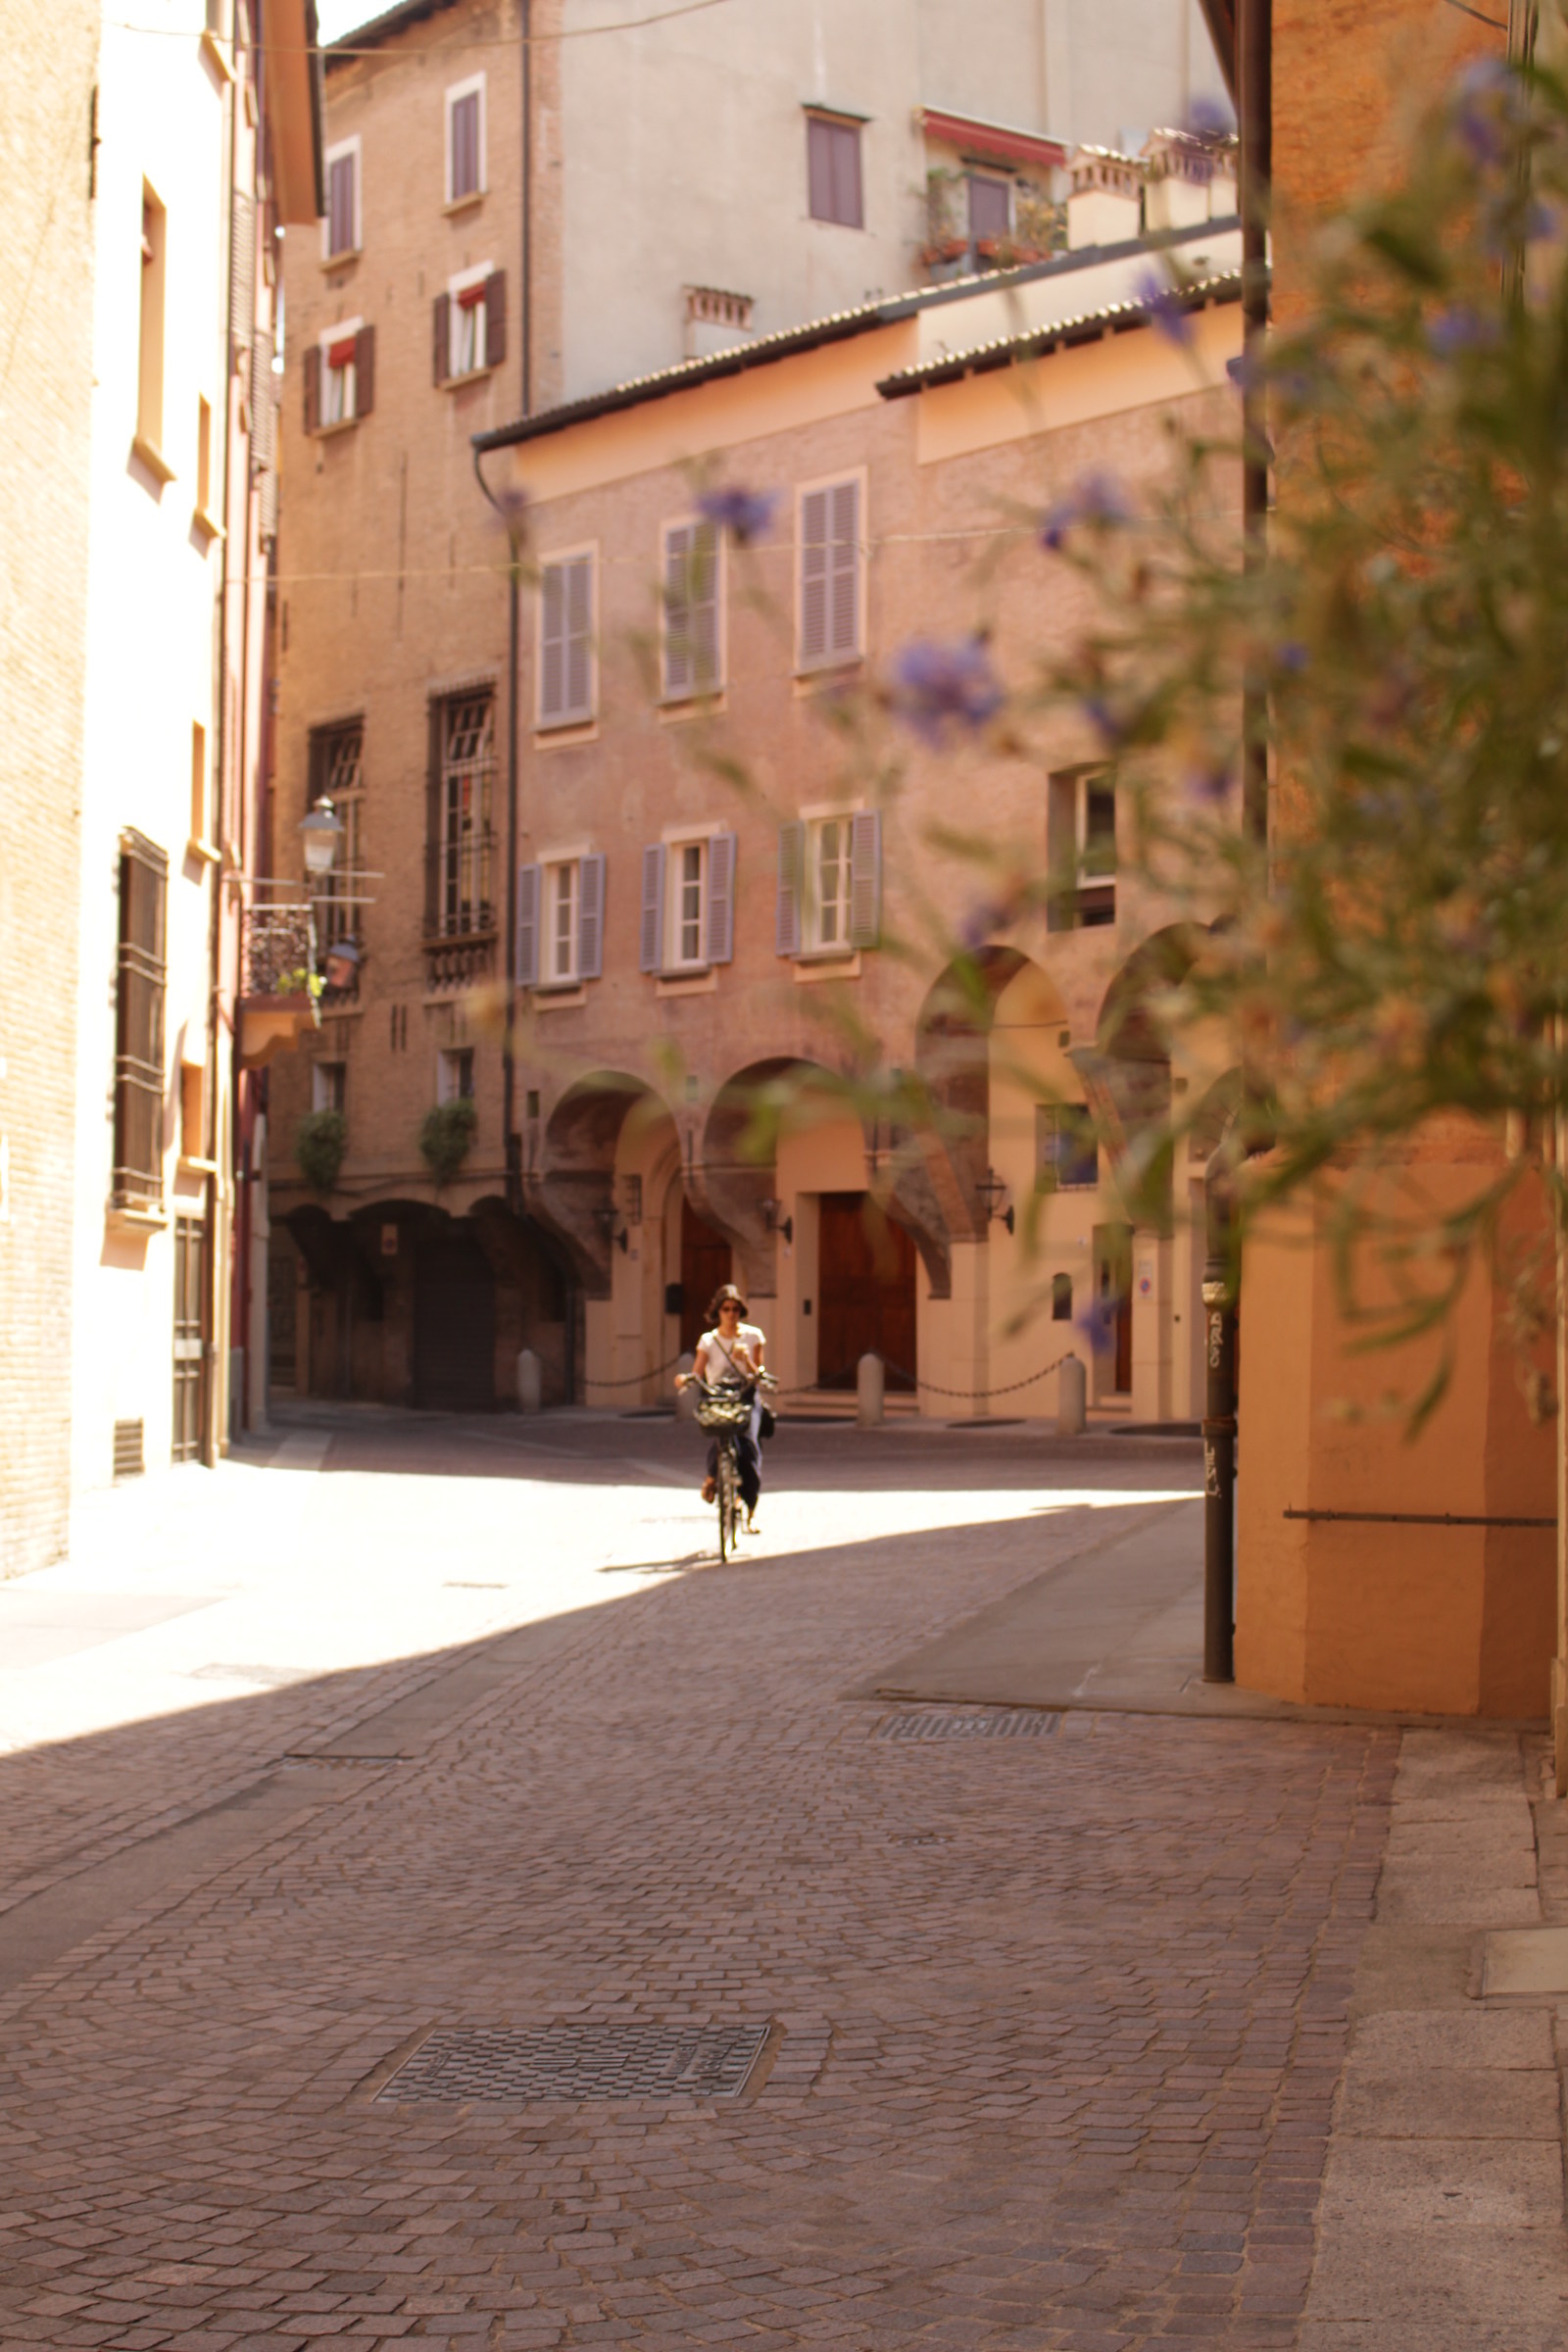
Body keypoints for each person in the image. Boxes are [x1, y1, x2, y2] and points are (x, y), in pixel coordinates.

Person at [675, 1283, 766, 1533]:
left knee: (748, 1448)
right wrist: (685, 1379)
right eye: (726, 1309)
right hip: (718, 1395)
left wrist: (745, 1359)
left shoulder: (752, 1336)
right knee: (718, 1435)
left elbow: (759, 1373)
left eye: (736, 1309)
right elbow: (697, 1371)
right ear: (718, 1311)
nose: (731, 1314)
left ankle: (750, 1510)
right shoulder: (708, 1340)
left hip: (746, 1394)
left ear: (741, 1311)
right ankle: (713, 1477)